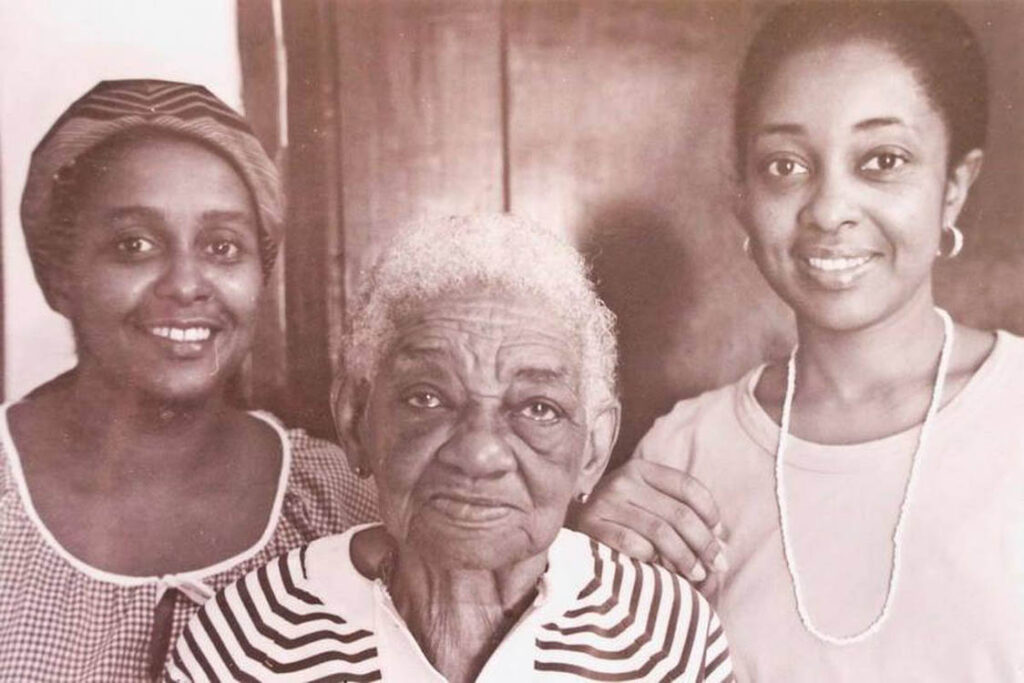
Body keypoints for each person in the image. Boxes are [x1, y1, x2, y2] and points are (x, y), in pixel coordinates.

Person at [576, 2, 1024, 681]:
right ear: (743, 197)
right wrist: (583, 572)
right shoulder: (684, 458)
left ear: (953, 189)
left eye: (882, 160)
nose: (829, 209)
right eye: (785, 165)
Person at [166, 214, 734, 682]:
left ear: (593, 450)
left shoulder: (665, 633)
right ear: (355, 420)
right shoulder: (250, 636)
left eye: (538, 408)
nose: (479, 454)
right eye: (428, 398)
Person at [0, 80, 377, 681]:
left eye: (223, 247)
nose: (185, 283)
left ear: (262, 275)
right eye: (134, 245)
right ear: (61, 275)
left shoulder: (343, 501)